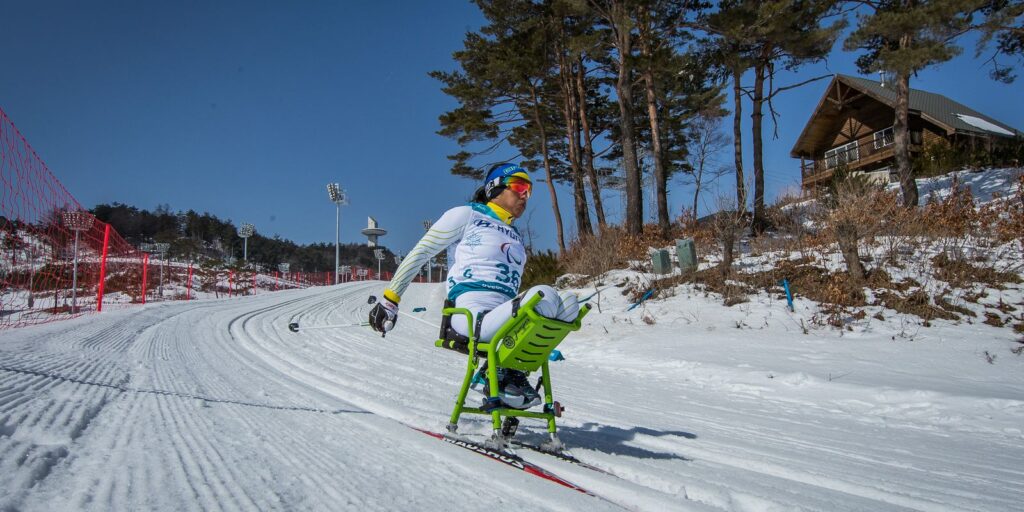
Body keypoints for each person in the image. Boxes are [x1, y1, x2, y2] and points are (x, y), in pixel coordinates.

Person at [368, 163, 579, 410]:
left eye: (529, 191)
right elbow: (421, 252)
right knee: (545, 295)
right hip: (472, 315)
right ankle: (496, 373)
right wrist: (390, 300)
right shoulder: (467, 215)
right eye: (520, 187)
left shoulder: (514, 234)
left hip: (503, 318)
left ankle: (508, 372)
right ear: (495, 187)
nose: (525, 195)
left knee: (570, 304)